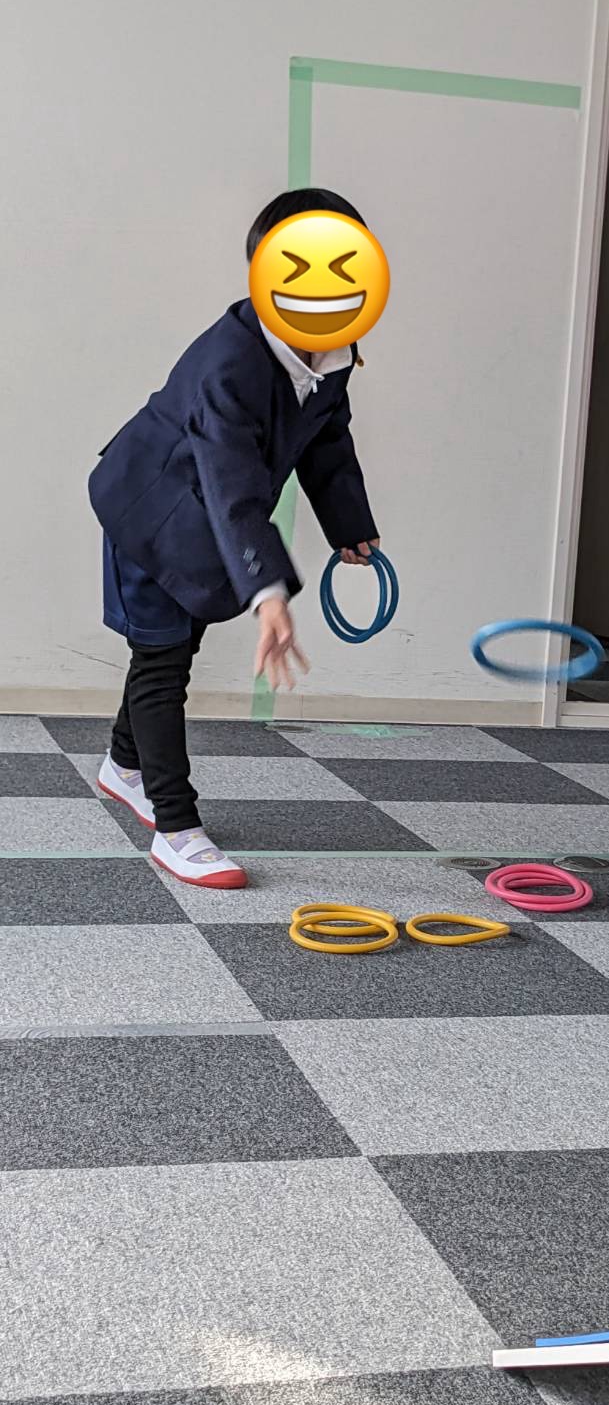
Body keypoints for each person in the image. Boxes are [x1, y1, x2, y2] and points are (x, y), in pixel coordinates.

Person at [88, 188, 380, 889]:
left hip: (208, 519)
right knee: (161, 659)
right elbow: (232, 480)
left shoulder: (334, 350)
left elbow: (327, 442)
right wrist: (267, 592)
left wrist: (349, 527)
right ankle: (176, 827)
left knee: (173, 648)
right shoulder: (231, 361)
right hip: (150, 510)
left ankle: (123, 765)